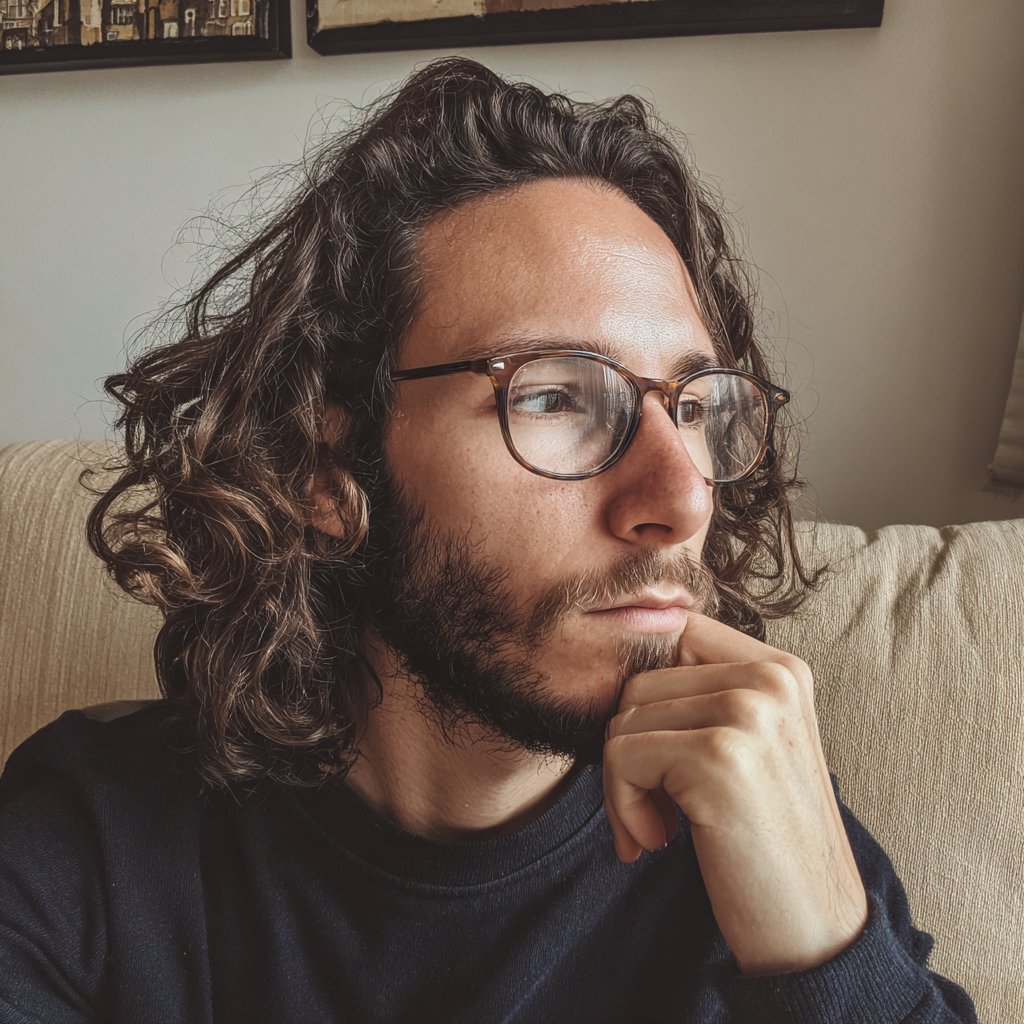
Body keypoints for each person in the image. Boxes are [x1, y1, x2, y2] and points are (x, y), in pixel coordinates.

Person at [0, 57, 976, 1023]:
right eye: (554, 397)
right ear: (325, 474)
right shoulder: (92, 843)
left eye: (692, 406)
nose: (680, 495)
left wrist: (828, 959)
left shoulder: (775, 831)